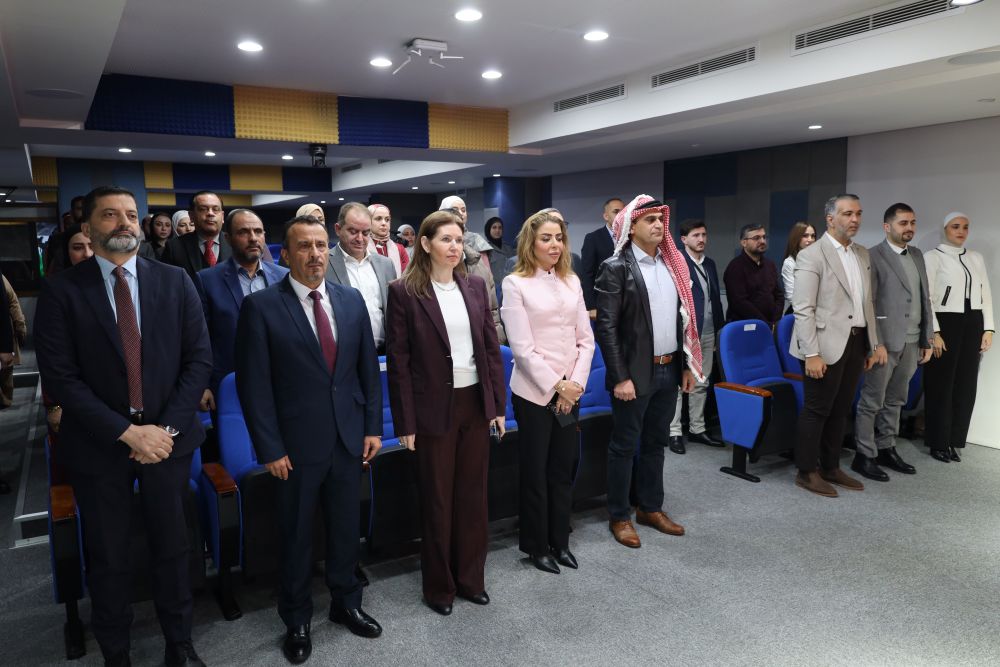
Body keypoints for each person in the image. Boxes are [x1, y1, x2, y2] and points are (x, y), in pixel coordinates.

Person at [34, 185, 212, 666]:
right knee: (108, 554)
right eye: (110, 215)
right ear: (88, 228)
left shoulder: (175, 281)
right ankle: (116, 651)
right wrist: (127, 432)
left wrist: (163, 431)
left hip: (167, 443)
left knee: (173, 547)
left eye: (131, 214)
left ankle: (180, 643)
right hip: (100, 444)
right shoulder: (62, 291)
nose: (124, 223)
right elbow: (61, 378)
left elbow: (198, 361)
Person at [235, 214, 383, 664]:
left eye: (320, 245)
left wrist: (372, 427)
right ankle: (297, 617)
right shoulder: (261, 307)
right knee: (296, 535)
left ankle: (346, 602)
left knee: (345, 528)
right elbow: (254, 386)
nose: (315, 254)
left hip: (348, 439)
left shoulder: (351, 300)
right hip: (294, 447)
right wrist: (270, 448)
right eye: (304, 246)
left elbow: (367, 371)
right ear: (285, 254)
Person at [386, 210, 505, 616]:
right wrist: (405, 421)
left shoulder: (474, 285)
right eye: (446, 240)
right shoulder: (404, 291)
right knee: (438, 500)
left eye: (458, 240)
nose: (455, 247)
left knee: (473, 497)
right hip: (432, 408)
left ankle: (471, 579)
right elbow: (399, 362)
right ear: (425, 243)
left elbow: (490, 349)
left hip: (475, 403)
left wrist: (497, 406)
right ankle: (440, 588)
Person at [595, 195, 701, 549]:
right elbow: (607, 328)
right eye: (649, 219)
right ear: (632, 226)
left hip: (669, 369)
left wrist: (685, 366)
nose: (658, 225)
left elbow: (682, 321)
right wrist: (620, 376)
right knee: (624, 445)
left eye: (660, 219)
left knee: (656, 443)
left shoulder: (673, 265)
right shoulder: (615, 267)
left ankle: (650, 507)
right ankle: (619, 515)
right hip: (633, 374)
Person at [501, 211, 594, 574]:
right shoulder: (515, 283)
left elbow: (586, 341)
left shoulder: (571, 280)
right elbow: (522, 349)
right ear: (531, 243)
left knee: (562, 468)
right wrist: (558, 385)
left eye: (559, 238)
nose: (555, 245)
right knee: (535, 472)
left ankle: (560, 541)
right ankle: (537, 546)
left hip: (570, 393)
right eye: (546, 238)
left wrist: (575, 385)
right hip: (534, 393)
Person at [789, 194, 886, 497]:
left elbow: (868, 303)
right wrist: (811, 353)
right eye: (847, 214)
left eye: (858, 213)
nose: (854, 219)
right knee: (817, 409)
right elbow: (803, 308)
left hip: (856, 341)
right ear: (830, 219)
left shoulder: (862, 253)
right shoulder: (812, 255)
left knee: (841, 408)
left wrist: (872, 344)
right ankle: (806, 471)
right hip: (822, 344)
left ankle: (830, 466)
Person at [852, 203, 933, 481]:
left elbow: (925, 299)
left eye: (912, 222)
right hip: (884, 343)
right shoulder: (873, 255)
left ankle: (886, 447)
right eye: (903, 223)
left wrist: (927, 337)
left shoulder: (917, 255)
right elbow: (869, 303)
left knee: (897, 399)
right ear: (887, 227)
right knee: (872, 400)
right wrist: (875, 344)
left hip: (912, 341)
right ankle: (864, 454)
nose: (909, 228)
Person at [193, 209, 288, 410]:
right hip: (229, 383)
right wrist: (203, 384)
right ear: (228, 238)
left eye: (258, 231)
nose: (253, 238)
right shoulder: (207, 280)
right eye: (244, 232)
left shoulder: (284, 277)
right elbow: (200, 338)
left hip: (281, 381)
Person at [923, 212, 994, 463]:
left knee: (966, 385)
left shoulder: (976, 257)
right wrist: (934, 331)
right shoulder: (932, 257)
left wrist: (989, 329)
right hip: (946, 322)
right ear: (945, 229)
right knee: (940, 384)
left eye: (965, 227)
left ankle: (955, 440)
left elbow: (986, 293)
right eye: (955, 226)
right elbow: (927, 297)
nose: (961, 231)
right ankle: (937, 441)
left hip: (973, 322)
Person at [668, 219, 725, 454]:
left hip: (709, 330)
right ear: (683, 239)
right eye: (695, 235)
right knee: (679, 383)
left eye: (703, 235)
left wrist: (719, 329)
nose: (701, 239)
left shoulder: (709, 263)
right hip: (684, 331)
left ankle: (697, 428)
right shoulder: (677, 263)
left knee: (702, 380)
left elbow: (714, 298)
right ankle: (674, 432)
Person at [327, 203, 395, 354]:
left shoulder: (386, 265)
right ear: (338, 229)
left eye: (365, 233)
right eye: (353, 231)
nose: (360, 238)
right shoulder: (324, 264)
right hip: (344, 355)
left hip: (384, 353)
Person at [439, 195, 506, 344]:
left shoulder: (477, 243)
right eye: (454, 209)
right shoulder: (432, 251)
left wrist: (496, 337)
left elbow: (489, 290)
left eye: (463, 210)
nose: (460, 213)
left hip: (479, 321)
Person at [723, 223, 784, 326]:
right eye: (756, 238)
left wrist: (774, 321)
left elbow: (779, 296)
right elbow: (739, 303)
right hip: (745, 327)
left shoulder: (770, 265)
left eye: (764, 237)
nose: (762, 241)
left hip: (771, 325)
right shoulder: (735, 267)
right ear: (744, 242)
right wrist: (764, 324)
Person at [162, 191, 232, 280]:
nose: (210, 213)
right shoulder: (174, 247)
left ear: (222, 216)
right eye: (203, 209)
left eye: (215, 209)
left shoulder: (235, 243)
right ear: (191, 216)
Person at [580, 197, 624, 318]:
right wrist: (591, 306)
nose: (620, 216)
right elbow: (587, 274)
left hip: (627, 302)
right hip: (603, 302)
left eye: (623, 212)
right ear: (606, 216)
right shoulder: (593, 238)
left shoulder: (631, 238)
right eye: (616, 212)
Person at [0, 273, 26, 410]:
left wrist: (21, 328)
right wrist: (21, 328)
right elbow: (13, 303)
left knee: (6, 373)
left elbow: (12, 303)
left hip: (5, 334)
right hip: (5, 335)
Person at [781, 222, 817, 313]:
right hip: (799, 312)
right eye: (805, 236)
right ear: (796, 238)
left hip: (819, 311)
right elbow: (792, 297)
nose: (810, 239)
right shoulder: (790, 263)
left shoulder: (818, 260)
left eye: (813, 236)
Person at [367, 203, 409, 278]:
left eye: (387, 219)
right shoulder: (361, 248)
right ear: (368, 221)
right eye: (378, 219)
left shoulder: (399, 249)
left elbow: (405, 278)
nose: (384, 223)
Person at [485, 216, 515, 295]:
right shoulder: (486, 249)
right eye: (494, 227)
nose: (497, 230)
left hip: (512, 287)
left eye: (500, 228)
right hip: (495, 290)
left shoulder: (509, 248)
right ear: (488, 230)